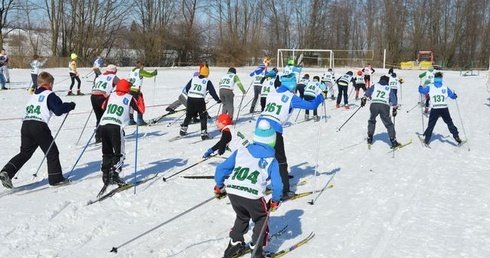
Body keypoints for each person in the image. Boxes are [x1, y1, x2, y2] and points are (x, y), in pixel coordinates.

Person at [214, 119, 283, 258]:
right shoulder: (271, 160)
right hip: (253, 195)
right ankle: (256, 250)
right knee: (261, 218)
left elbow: (221, 168)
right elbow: (278, 184)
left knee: (242, 215)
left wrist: (219, 186)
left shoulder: (241, 151)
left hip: (233, 192)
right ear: (272, 141)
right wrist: (275, 200)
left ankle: (234, 245)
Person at [0, 72, 75, 189]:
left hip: (26, 125)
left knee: (25, 153)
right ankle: (56, 179)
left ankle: (7, 171)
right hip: (39, 125)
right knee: (52, 152)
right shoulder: (50, 95)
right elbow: (58, 110)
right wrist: (69, 106)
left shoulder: (34, 95)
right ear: (50, 83)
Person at [256, 75, 324, 199]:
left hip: (259, 125)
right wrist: (320, 97)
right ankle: (285, 190)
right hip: (273, 129)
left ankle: (257, 182)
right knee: (280, 160)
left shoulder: (272, 92)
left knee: (262, 156)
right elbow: (311, 106)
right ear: (292, 85)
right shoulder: (291, 97)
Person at [98, 79, 145, 188]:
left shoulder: (111, 95)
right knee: (119, 153)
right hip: (116, 126)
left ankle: (105, 175)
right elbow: (141, 110)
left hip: (103, 124)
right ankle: (114, 174)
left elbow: (103, 107)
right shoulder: (129, 97)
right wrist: (140, 97)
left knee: (107, 151)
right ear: (127, 89)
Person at [418, 72, 462, 146]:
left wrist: (420, 87)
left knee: (431, 124)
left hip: (435, 108)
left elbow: (422, 91)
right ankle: (456, 136)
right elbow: (452, 96)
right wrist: (455, 95)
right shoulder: (445, 87)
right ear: (441, 79)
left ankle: (426, 140)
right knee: (449, 123)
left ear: (435, 79)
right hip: (444, 108)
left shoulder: (430, 87)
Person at [180, 63, 221, 140]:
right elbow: (212, 92)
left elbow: (187, 88)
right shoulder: (207, 81)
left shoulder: (194, 78)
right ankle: (204, 134)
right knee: (203, 116)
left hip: (190, 98)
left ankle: (183, 130)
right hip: (199, 100)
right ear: (207, 73)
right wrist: (217, 99)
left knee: (189, 114)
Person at [360, 75, 401, 148]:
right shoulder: (389, 88)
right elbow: (393, 99)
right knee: (388, 123)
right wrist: (394, 108)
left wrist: (364, 99)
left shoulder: (375, 85)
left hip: (374, 105)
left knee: (372, 120)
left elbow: (368, 92)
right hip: (384, 106)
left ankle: (370, 137)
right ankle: (393, 140)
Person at [91, 64, 120, 143]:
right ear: (114, 71)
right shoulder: (113, 77)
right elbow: (121, 85)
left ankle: (98, 136)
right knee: (107, 116)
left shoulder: (100, 76)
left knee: (99, 117)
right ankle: (108, 135)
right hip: (102, 97)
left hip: (93, 96)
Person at [128, 60, 157, 125]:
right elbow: (148, 75)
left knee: (132, 105)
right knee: (139, 105)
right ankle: (140, 120)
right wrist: (154, 73)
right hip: (136, 91)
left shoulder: (132, 70)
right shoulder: (140, 71)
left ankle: (131, 119)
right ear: (141, 66)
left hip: (130, 90)